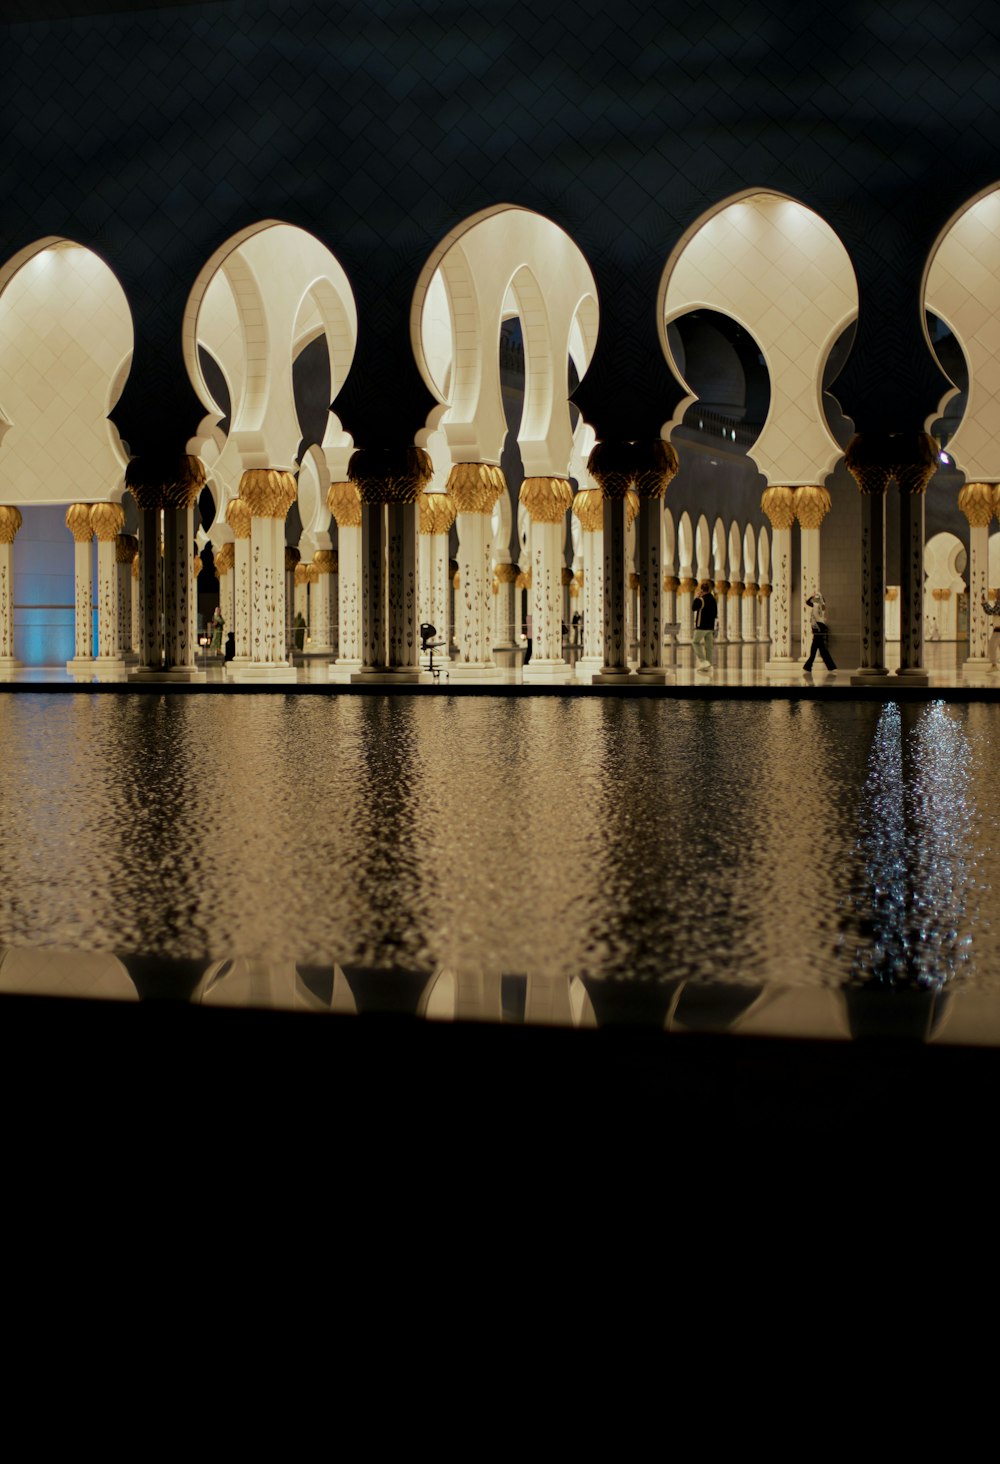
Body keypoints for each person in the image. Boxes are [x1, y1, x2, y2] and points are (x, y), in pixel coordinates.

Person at [803, 590, 836, 672]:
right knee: (821, 649)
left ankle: (808, 665)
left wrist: (813, 596)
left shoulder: (819, 605)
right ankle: (830, 666)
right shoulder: (818, 605)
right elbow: (808, 602)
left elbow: (808, 602)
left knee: (816, 648)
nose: (815, 599)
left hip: (818, 627)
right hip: (818, 627)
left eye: (817, 598)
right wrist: (813, 596)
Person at [691, 579, 717, 672]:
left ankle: (703, 661)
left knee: (695, 642)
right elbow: (715, 614)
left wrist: (697, 597)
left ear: (702, 590)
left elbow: (693, 608)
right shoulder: (713, 600)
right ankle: (709, 664)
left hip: (701, 627)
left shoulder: (701, 600)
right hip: (710, 627)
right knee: (709, 647)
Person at [981, 592, 1000, 669]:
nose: (996, 594)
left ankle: (994, 665)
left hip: (998, 630)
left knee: (992, 647)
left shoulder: (999, 604)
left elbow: (991, 611)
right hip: (997, 628)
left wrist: (985, 603)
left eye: (997, 593)